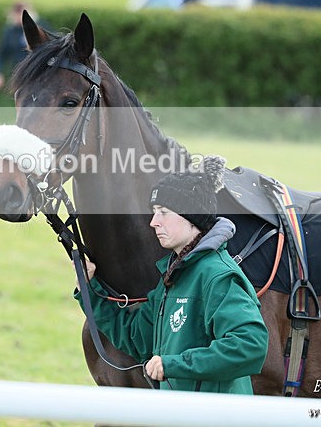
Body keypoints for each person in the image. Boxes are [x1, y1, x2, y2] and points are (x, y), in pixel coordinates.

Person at [74, 156, 269, 394]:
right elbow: (137, 338)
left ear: (192, 217)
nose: (153, 222)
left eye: (164, 212)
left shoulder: (218, 276)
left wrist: (173, 364)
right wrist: (89, 289)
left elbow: (250, 345)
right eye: (154, 212)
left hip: (215, 412)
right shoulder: (173, 276)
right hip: (180, 410)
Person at [0, 1, 37, 91]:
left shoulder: (39, 28)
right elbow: (2, 54)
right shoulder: (9, 32)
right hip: (18, 75)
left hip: (37, 73)